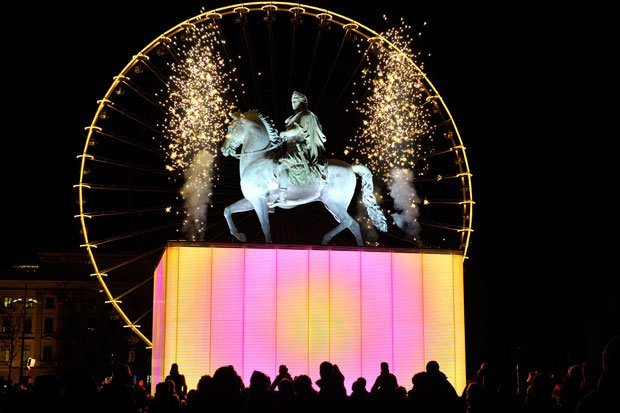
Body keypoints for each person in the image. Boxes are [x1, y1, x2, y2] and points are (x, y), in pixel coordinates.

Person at [271, 91, 327, 205]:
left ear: (302, 102)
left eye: (295, 101)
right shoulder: (293, 117)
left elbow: (298, 130)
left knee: (282, 163)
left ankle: (282, 197)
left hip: (301, 149)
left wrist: (284, 133)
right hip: (291, 148)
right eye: (292, 101)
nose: (293, 103)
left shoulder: (306, 115)